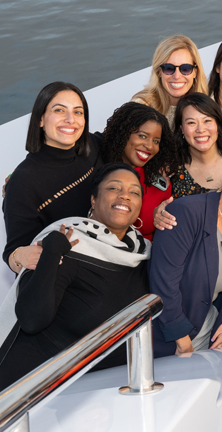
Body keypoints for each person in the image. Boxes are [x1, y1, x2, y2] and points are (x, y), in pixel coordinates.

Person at [0, 164, 151, 390]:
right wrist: (52, 250)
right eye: (114, 188)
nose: (125, 196)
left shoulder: (142, 253)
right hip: (35, 386)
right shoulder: (67, 241)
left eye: (134, 192)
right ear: (93, 199)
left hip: (99, 392)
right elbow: (31, 320)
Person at [148, 145, 222, 358]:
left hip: (207, 334)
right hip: (167, 338)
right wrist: (182, 340)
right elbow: (163, 283)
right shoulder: (186, 212)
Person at [4, 82, 102, 274]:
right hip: (71, 273)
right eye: (59, 110)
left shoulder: (94, 144)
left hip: (112, 255)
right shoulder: (23, 182)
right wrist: (21, 256)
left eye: (78, 112)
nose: (70, 119)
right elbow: (13, 253)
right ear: (40, 119)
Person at [101, 102, 178, 240]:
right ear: (123, 134)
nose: (149, 146)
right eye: (142, 136)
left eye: (156, 141)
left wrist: (162, 220)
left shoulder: (160, 183)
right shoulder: (96, 169)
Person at [170, 92, 222, 198]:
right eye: (191, 123)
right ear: (181, 129)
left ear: (218, 124)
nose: (201, 130)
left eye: (207, 121)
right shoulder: (172, 171)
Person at [131, 35, 208, 123]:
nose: (177, 76)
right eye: (169, 68)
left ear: (195, 72)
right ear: (159, 72)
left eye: (185, 68)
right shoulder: (140, 108)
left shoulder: (208, 105)